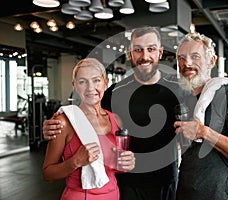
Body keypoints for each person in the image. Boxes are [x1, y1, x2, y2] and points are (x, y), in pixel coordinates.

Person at [42, 26, 185, 200]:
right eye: (138, 50)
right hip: (126, 183)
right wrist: (55, 126)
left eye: (151, 49)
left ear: (160, 52)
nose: (144, 56)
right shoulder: (115, 92)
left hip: (165, 180)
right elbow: (87, 111)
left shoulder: (179, 89)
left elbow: (195, 125)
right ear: (130, 53)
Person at [174, 32, 228, 200]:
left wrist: (204, 133)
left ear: (211, 61)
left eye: (195, 56)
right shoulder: (185, 100)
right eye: (181, 58)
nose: (187, 63)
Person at [42, 58, 135, 200]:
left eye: (96, 80)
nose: (90, 87)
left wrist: (126, 163)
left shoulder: (115, 119)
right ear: (75, 86)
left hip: (113, 195)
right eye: (82, 81)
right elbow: (48, 174)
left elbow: (112, 168)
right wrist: (75, 162)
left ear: (106, 83)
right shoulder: (64, 121)